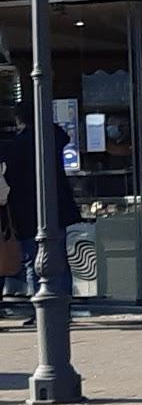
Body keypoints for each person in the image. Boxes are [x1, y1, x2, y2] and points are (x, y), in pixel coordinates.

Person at [0, 98, 80, 322]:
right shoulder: (52, 137)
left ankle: (43, 310)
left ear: (19, 119)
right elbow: (62, 136)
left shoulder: (15, 146)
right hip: (54, 208)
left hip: (25, 210)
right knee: (57, 260)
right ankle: (61, 307)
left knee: (34, 261)